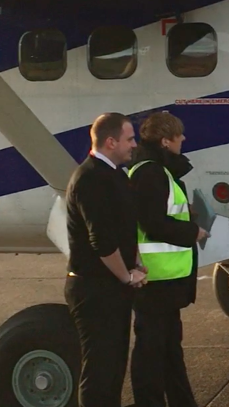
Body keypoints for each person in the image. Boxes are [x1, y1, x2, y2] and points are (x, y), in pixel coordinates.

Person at [127, 111, 208, 407]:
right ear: (165, 141)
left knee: (169, 349)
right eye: (179, 135)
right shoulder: (151, 173)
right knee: (151, 351)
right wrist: (192, 231)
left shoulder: (155, 172)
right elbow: (153, 223)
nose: (183, 139)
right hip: (155, 281)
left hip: (163, 282)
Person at [64, 113, 145, 407]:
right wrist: (127, 276)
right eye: (129, 139)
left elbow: (123, 227)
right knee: (99, 372)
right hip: (94, 290)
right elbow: (102, 241)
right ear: (111, 142)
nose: (134, 145)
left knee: (112, 370)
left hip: (110, 288)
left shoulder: (113, 174)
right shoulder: (90, 178)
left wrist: (134, 263)